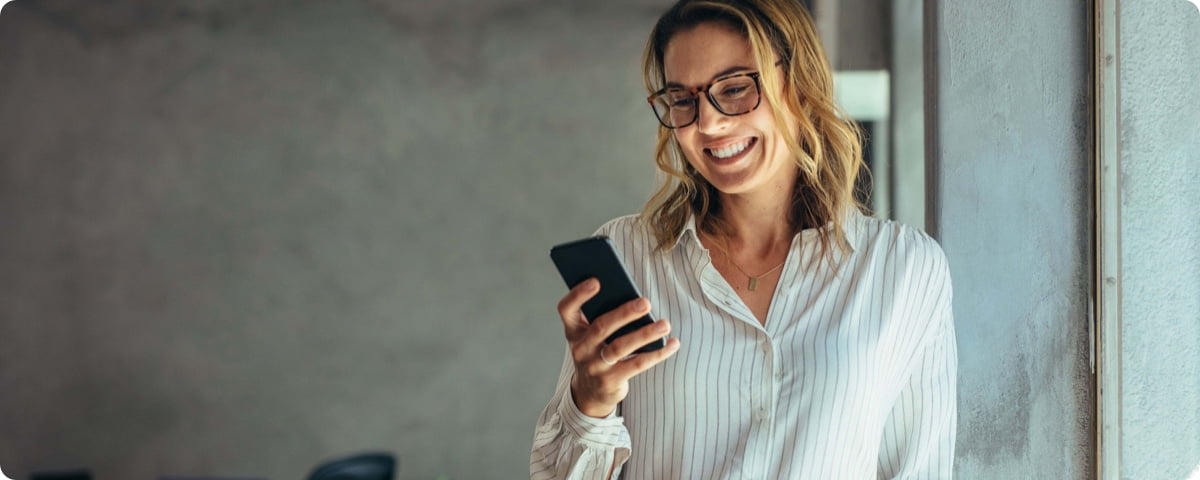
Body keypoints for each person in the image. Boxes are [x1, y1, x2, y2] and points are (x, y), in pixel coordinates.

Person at [530, 0, 957, 478]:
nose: (708, 125)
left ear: (799, 84)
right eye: (683, 100)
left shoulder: (904, 268)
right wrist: (589, 403)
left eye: (734, 89)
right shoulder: (630, 255)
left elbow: (919, 468)